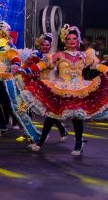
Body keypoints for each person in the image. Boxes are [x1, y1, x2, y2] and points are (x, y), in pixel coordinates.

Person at [23, 25, 108, 156]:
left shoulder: (85, 55)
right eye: (68, 39)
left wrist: (106, 69)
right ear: (65, 41)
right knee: (51, 115)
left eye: (74, 38)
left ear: (78, 40)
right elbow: (44, 64)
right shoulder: (59, 54)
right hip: (61, 87)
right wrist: (28, 70)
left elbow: (96, 66)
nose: (72, 41)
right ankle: (40, 142)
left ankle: (78, 144)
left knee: (77, 116)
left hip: (80, 88)